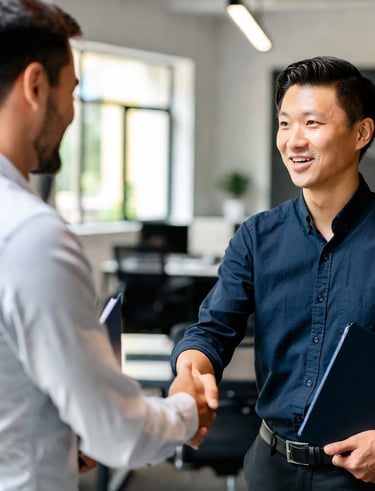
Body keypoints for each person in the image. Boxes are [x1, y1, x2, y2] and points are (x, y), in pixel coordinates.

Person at [0, 1, 216, 490]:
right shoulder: (32, 236)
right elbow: (116, 433)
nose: (74, 112)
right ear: (36, 85)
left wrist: (55, 430)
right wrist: (189, 410)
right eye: (72, 91)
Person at [171, 55, 375, 490]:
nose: (293, 141)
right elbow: (212, 329)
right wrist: (191, 373)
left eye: (312, 124)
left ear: (361, 133)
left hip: (361, 474)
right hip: (270, 467)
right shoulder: (256, 237)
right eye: (285, 124)